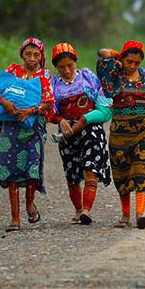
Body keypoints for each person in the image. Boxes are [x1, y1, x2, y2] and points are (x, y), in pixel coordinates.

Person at [97, 41, 145, 229]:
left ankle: (139, 214)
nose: (132, 66)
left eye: (136, 63)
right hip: (119, 133)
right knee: (121, 173)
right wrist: (116, 54)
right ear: (122, 59)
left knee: (142, 170)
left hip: (144, 131)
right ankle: (125, 214)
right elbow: (103, 52)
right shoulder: (114, 74)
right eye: (129, 61)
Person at [0, 38, 55, 232]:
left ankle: (30, 204)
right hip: (12, 127)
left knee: (32, 169)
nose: (32, 58)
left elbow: (48, 101)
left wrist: (32, 110)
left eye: (36, 55)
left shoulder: (44, 74)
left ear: (42, 57)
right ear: (21, 55)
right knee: (11, 172)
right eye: (28, 54)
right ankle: (15, 218)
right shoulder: (12, 70)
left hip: (34, 127)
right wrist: (4, 102)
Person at [49, 43, 114, 225]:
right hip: (67, 133)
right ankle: (78, 210)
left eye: (70, 65)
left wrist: (90, 116)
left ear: (75, 62)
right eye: (62, 67)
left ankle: (86, 209)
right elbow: (49, 108)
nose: (67, 70)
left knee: (90, 169)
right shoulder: (53, 84)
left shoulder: (87, 77)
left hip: (91, 130)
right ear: (56, 67)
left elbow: (102, 100)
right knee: (71, 174)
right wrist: (59, 120)